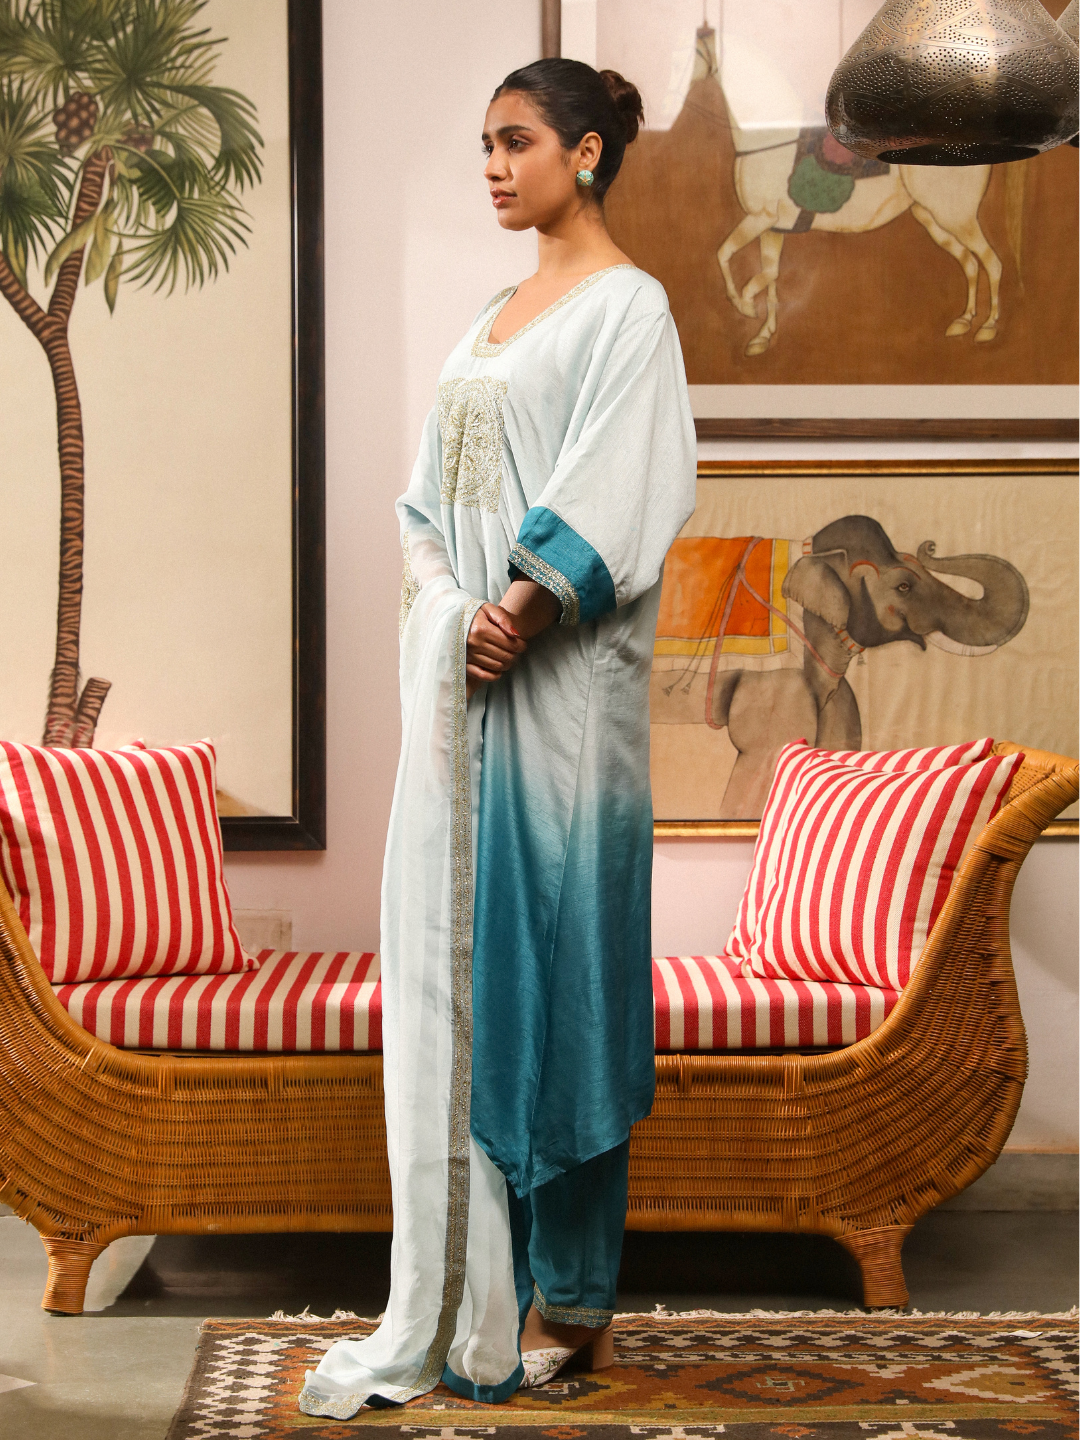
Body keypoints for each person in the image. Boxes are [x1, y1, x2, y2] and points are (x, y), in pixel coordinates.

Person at [299, 57, 696, 1421]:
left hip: (565, 712)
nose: (491, 166)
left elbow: (626, 484)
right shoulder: (489, 320)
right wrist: (450, 613)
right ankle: (479, 1292)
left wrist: (519, 612)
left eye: (516, 141)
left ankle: (571, 1297)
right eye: (483, 143)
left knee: (566, 978)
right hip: (466, 699)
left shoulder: (630, 310)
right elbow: (424, 505)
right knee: (472, 987)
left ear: (585, 153)